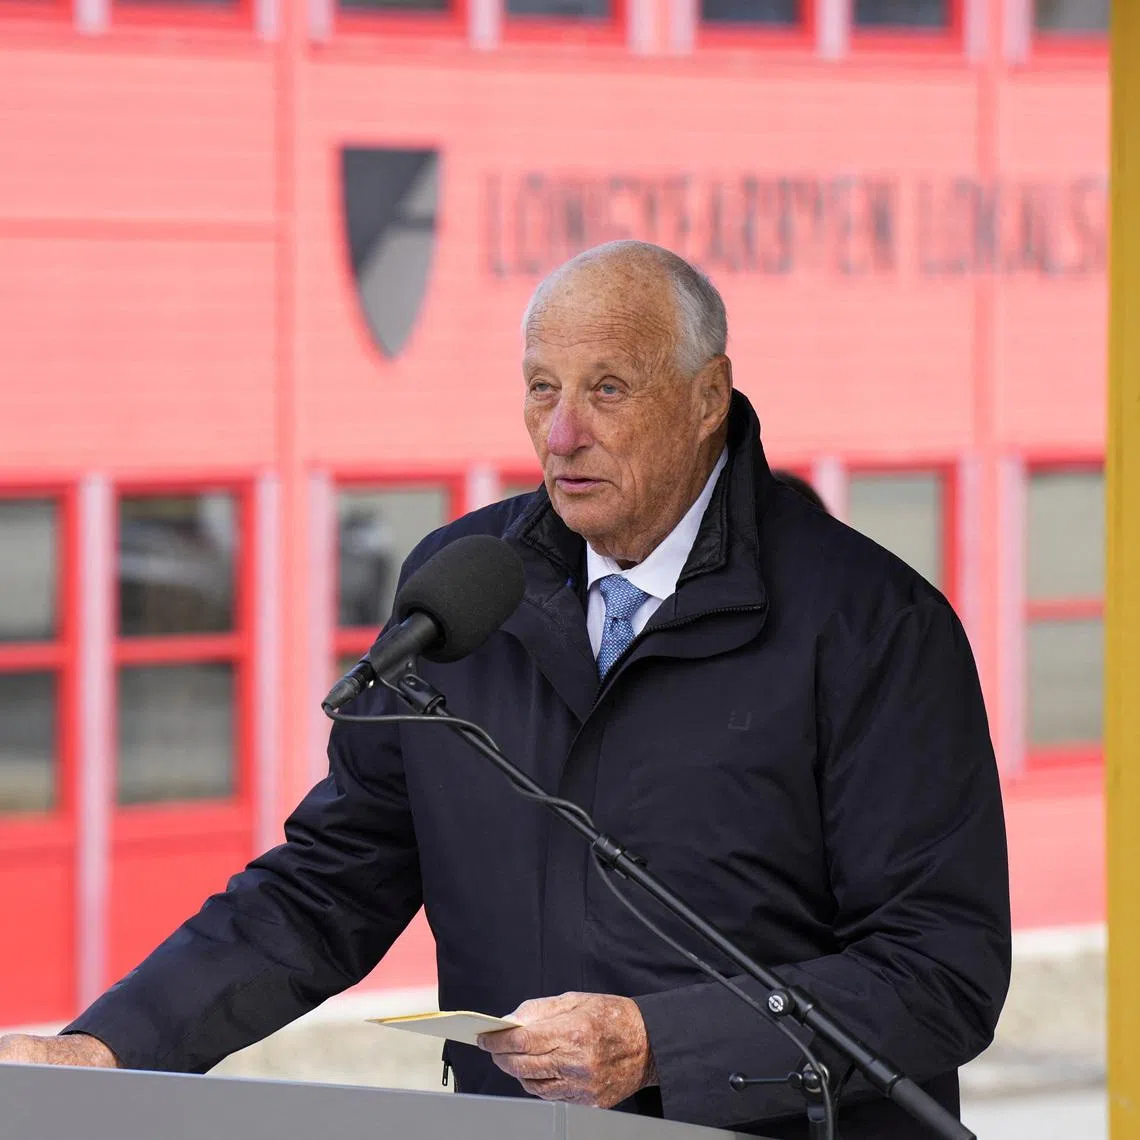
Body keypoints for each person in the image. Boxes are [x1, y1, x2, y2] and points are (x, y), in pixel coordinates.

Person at [0, 241, 1011, 1139]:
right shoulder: (460, 588)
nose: (562, 432)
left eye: (608, 389)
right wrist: (113, 1050)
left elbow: (940, 972)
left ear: (708, 397)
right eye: (540, 388)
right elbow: (329, 885)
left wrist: (660, 1044)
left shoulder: (873, 625)